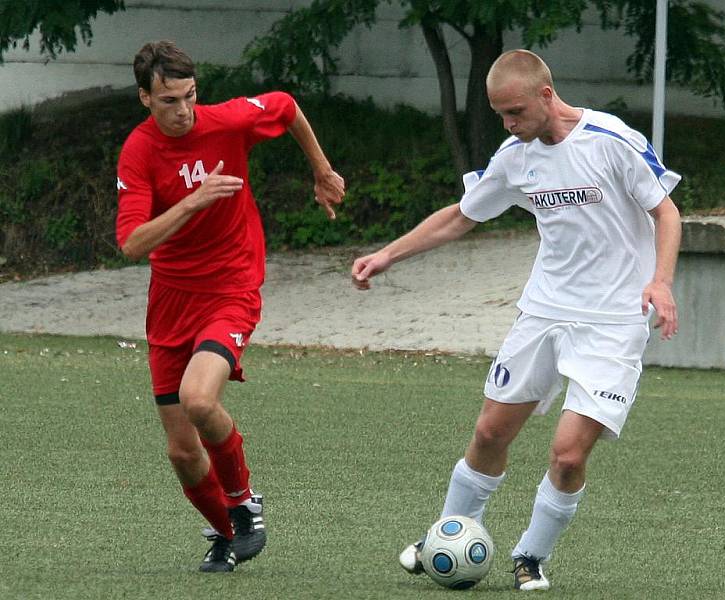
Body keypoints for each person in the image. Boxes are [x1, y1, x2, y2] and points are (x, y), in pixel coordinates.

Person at [351, 49, 681, 591]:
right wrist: (388, 254)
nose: (508, 124)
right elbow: (460, 216)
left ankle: (530, 555)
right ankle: (448, 532)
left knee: (568, 455)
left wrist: (660, 281)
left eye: (515, 112)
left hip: (614, 320)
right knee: (488, 432)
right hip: (545, 311)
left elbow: (665, 210)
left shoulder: (611, 140)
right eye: (500, 115)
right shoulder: (516, 154)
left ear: (546, 96)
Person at [116, 40, 345, 572]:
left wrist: (322, 171)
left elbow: (286, 105)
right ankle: (226, 534)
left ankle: (243, 505)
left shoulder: (225, 122)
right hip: (170, 300)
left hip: (231, 287)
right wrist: (193, 201)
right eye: (169, 100)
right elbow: (131, 243)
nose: (183, 111)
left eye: (189, 96)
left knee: (200, 400)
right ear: (145, 98)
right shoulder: (138, 151)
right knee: (180, 450)